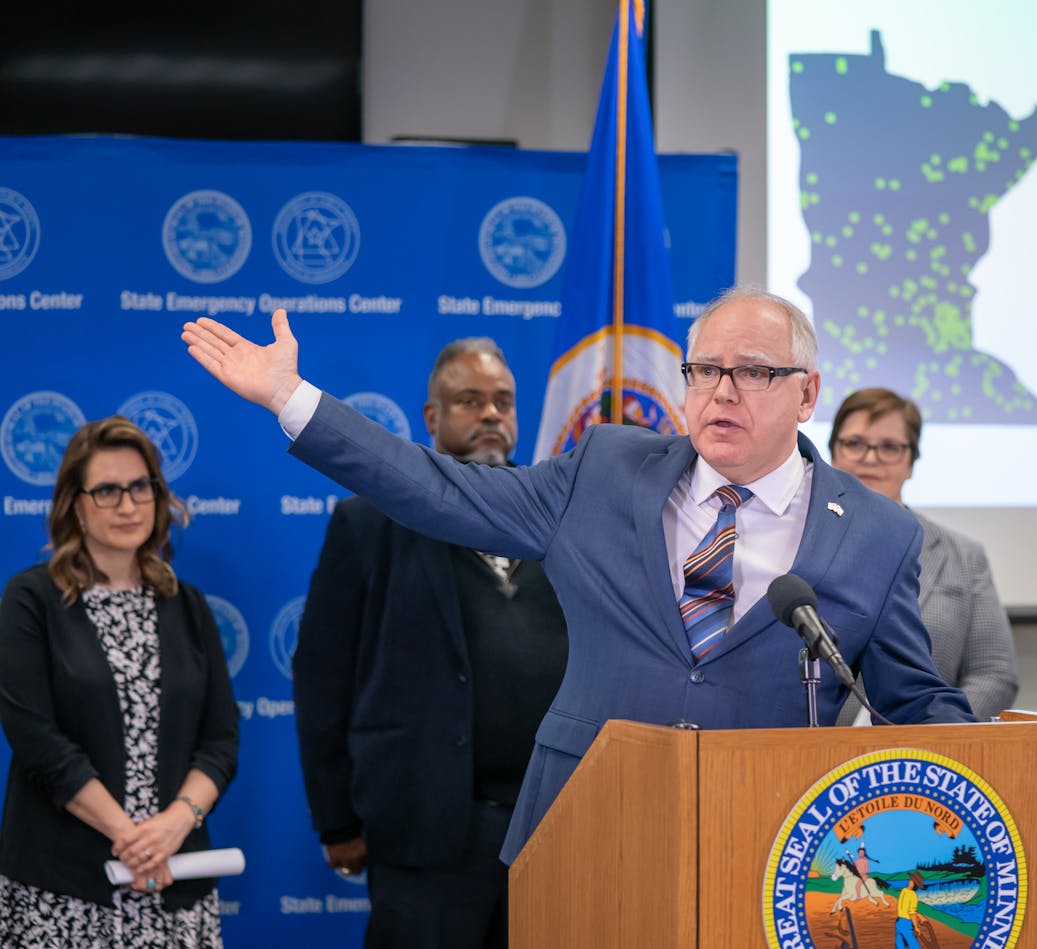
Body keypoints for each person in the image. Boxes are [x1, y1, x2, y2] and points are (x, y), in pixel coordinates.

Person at [181, 286, 978, 867]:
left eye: (753, 372)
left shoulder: (877, 534)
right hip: (584, 830)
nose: (722, 391)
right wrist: (290, 396)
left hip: (764, 843)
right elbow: (436, 488)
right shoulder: (604, 469)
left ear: (807, 393)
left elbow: (913, 700)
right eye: (703, 370)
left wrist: (1001, 781)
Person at [292, 338, 568, 949]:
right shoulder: (368, 525)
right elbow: (322, 680)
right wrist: (335, 818)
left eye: (503, 401)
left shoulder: (562, 524)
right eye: (470, 401)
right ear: (432, 419)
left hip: (554, 830)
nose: (492, 414)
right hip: (425, 833)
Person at [0, 417, 239, 946]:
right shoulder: (31, 600)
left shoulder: (187, 605)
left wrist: (176, 823)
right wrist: (130, 838)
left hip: (176, 884)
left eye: (140, 487)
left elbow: (220, 741)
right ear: (74, 505)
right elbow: (40, 744)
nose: (128, 506)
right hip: (63, 893)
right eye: (107, 491)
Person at [828, 388, 1018, 722]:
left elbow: (994, 672)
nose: (870, 458)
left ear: (911, 462)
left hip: (928, 758)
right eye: (855, 443)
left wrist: (933, 732)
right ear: (833, 453)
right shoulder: (803, 543)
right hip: (815, 753)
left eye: (890, 447)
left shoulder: (962, 556)